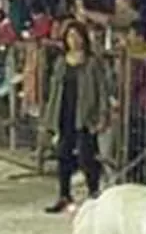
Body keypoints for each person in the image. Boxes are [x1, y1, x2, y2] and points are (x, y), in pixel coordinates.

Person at [41, 22, 108, 214]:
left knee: (87, 155)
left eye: (77, 35)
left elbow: (102, 90)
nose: (74, 40)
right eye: (70, 36)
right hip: (64, 112)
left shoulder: (92, 62)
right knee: (63, 154)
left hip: (85, 115)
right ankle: (64, 194)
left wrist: (102, 114)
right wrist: (49, 118)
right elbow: (54, 91)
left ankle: (94, 193)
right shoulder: (62, 62)